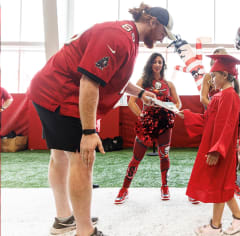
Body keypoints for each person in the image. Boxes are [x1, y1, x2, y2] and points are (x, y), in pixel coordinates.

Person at [27, 3, 174, 236]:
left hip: (47, 91)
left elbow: (114, 77)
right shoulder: (118, 37)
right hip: (62, 95)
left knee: (60, 155)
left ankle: (64, 218)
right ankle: (85, 230)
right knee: (83, 159)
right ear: (152, 22)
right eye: (163, 33)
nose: (162, 39)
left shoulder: (126, 36)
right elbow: (89, 81)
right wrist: (87, 132)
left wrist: (142, 94)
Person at [178, 54, 240, 235]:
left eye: (214, 76)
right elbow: (208, 120)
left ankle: (215, 226)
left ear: (225, 75)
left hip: (221, 148)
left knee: (221, 185)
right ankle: (239, 218)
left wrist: (217, 150)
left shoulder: (230, 96)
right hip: (217, 146)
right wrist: (186, 115)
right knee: (222, 185)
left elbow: (227, 126)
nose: (212, 80)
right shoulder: (221, 96)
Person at [114, 52, 181, 204]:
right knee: (136, 158)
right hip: (147, 125)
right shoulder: (143, 81)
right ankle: (124, 189)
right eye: (155, 62)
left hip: (165, 126)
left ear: (163, 65)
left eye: (160, 62)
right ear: (150, 64)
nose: (158, 64)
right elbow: (131, 102)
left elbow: (178, 103)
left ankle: (164, 187)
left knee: (164, 156)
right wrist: (142, 116)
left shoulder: (169, 84)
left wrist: (171, 109)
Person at [199, 48, 240, 202]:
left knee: (232, 152)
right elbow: (202, 98)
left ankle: (234, 184)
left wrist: (236, 106)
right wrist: (215, 109)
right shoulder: (209, 76)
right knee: (211, 153)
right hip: (214, 117)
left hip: (229, 116)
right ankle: (210, 187)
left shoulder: (231, 84)